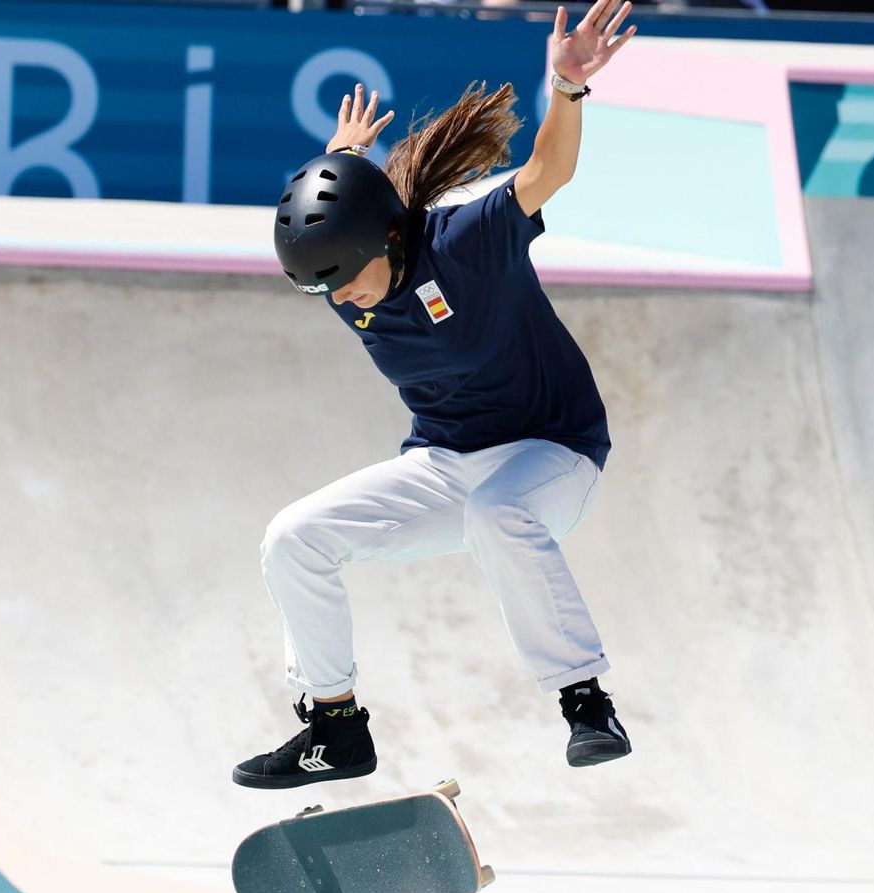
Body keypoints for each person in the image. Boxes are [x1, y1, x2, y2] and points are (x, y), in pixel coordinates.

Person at [233, 0, 638, 790]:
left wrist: (567, 86)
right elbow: (351, 207)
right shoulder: (347, 268)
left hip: (552, 453)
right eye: (326, 291)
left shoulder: (466, 243)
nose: (347, 304)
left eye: (349, 282)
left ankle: (584, 701)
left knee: (499, 515)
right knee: (294, 538)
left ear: (387, 241)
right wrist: (343, 158)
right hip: (444, 461)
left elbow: (546, 173)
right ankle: (336, 727)